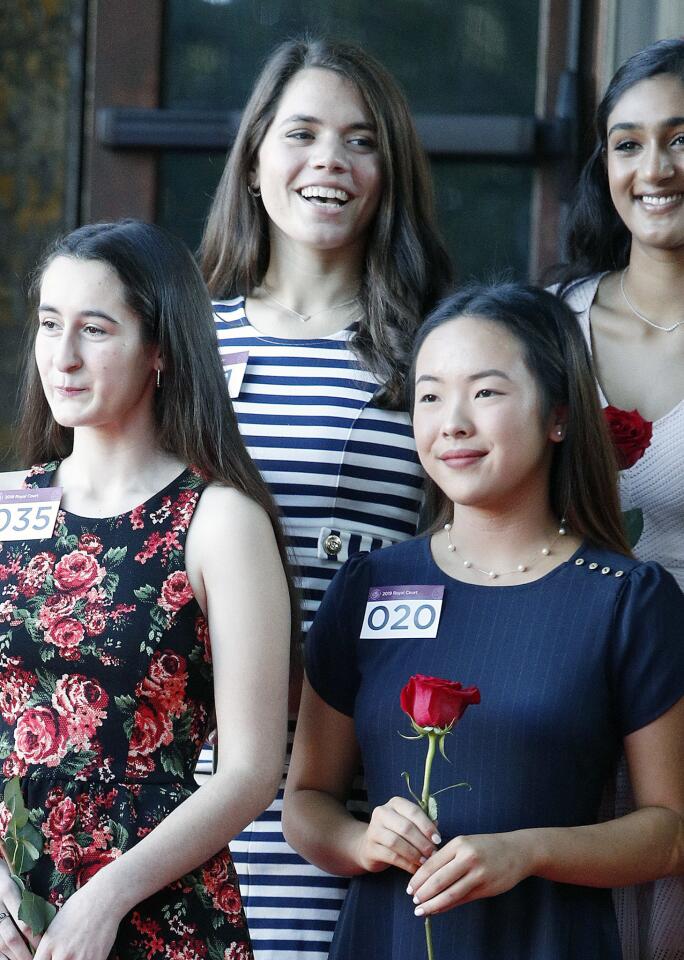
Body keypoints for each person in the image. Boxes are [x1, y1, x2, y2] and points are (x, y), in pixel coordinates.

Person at [283, 283, 684, 960]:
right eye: (430, 396)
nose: (453, 422)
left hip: (551, 940)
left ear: (558, 414)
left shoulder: (627, 597)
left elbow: (669, 832)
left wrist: (528, 852)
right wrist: (361, 840)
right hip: (387, 939)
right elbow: (308, 803)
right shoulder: (372, 585)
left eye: (487, 392)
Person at [199, 36, 452, 960]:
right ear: (256, 155)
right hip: (188, 774)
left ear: (389, 172)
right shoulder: (180, 341)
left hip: (363, 782)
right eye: (302, 133)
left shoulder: (437, 352)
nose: (329, 163)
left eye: (361, 141)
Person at [0, 220, 293, 960]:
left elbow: (253, 773)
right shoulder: (5, 503)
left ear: (160, 348)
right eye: (48, 325)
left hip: (157, 903)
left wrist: (102, 902)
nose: (61, 358)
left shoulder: (220, 519)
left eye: (94, 330)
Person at [553, 37, 684, 957]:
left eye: (681, 138)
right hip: (575, 693)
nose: (656, 168)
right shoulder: (545, 327)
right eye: (629, 144)